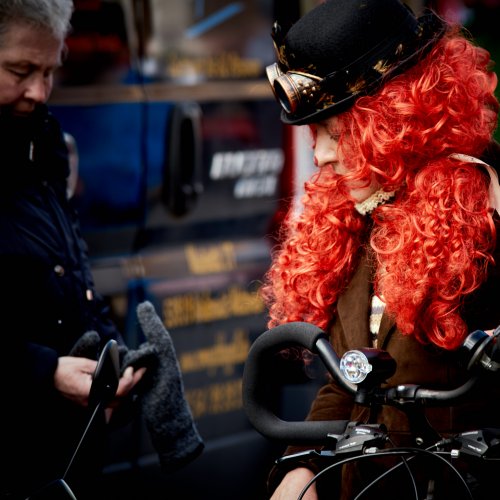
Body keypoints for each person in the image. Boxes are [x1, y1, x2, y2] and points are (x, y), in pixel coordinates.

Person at [261, 0, 500, 498]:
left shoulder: (486, 209)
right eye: (315, 132)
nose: (319, 154)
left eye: (336, 132)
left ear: (392, 126)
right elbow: (348, 378)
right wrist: (299, 468)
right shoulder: (354, 212)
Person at [0, 1, 146, 498]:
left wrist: (111, 352)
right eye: (20, 71)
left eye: (48, 72)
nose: (38, 92)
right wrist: (45, 372)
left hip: (55, 447)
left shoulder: (42, 141)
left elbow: (70, 260)